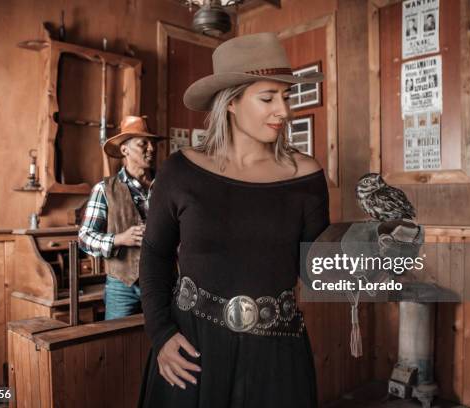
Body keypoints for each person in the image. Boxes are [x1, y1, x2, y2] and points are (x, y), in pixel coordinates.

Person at [138, 32, 329, 408]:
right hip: (191, 350)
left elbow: (316, 271)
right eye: (268, 97)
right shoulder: (180, 171)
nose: (284, 111)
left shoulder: (305, 176)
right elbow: (155, 254)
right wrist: (161, 333)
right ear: (231, 103)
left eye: (286, 97)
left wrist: (371, 256)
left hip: (277, 352)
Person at [78, 115, 167, 320]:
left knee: (163, 342)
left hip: (163, 281)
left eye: (152, 143)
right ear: (124, 150)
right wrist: (119, 239)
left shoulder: (166, 186)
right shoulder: (104, 189)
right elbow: (84, 237)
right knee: (118, 344)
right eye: (143, 143)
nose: (151, 148)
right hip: (121, 286)